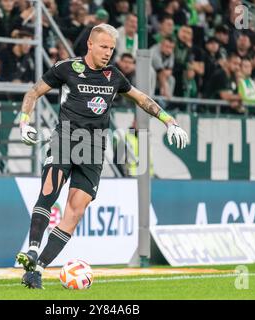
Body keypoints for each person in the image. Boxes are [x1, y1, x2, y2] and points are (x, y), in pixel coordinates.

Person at [15, 23, 188, 289]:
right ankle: (33, 250)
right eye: (104, 47)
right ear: (91, 45)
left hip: (94, 149)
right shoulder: (67, 68)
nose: (108, 52)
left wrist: (169, 121)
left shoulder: (114, 76)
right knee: (49, 192)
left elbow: (141, 99)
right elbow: (34, 92)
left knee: (76, 210)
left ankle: (37, 269)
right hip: (65, 140)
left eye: (112, 48)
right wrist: (25, 121)